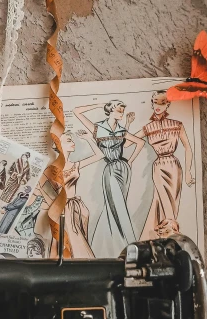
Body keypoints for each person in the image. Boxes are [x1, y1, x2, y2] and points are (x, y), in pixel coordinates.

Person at [74, 100, 144, 257]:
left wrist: (130, 161)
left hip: (123, 169)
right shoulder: (97, 128)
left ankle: (115, 243)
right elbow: (76, 111)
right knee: (115, 204)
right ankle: (125, 243)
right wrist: (98, 105)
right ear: (111, 110)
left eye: (122, 111)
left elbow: (139, 143)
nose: (121, 113)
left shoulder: (121, 130)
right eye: (119, 110)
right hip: (110, 169)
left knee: (120, 204)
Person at [129, 91, 195, 239]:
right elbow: (127, 142)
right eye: (155, 102)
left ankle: (160, 236)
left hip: (174, 166)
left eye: (162, 102)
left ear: (168, 104)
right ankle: (171, 236)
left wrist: (189, 171)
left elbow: (188, 147)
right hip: (159, 166)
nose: (158, 105)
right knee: (164, 200)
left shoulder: (177, 124)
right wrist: (127, 125)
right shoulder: (148, 127)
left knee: (173, 203)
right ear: (151, 103)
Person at [59, 130, 103, 258]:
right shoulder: (54, 167)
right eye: (68, 140)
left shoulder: (75, 165)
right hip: (64, 209)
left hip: (78, 207)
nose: (73, 143)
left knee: (81, 239)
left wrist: (89, 138)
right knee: (75, 241)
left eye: (72, 140)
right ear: (59, 144)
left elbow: (99, 155)